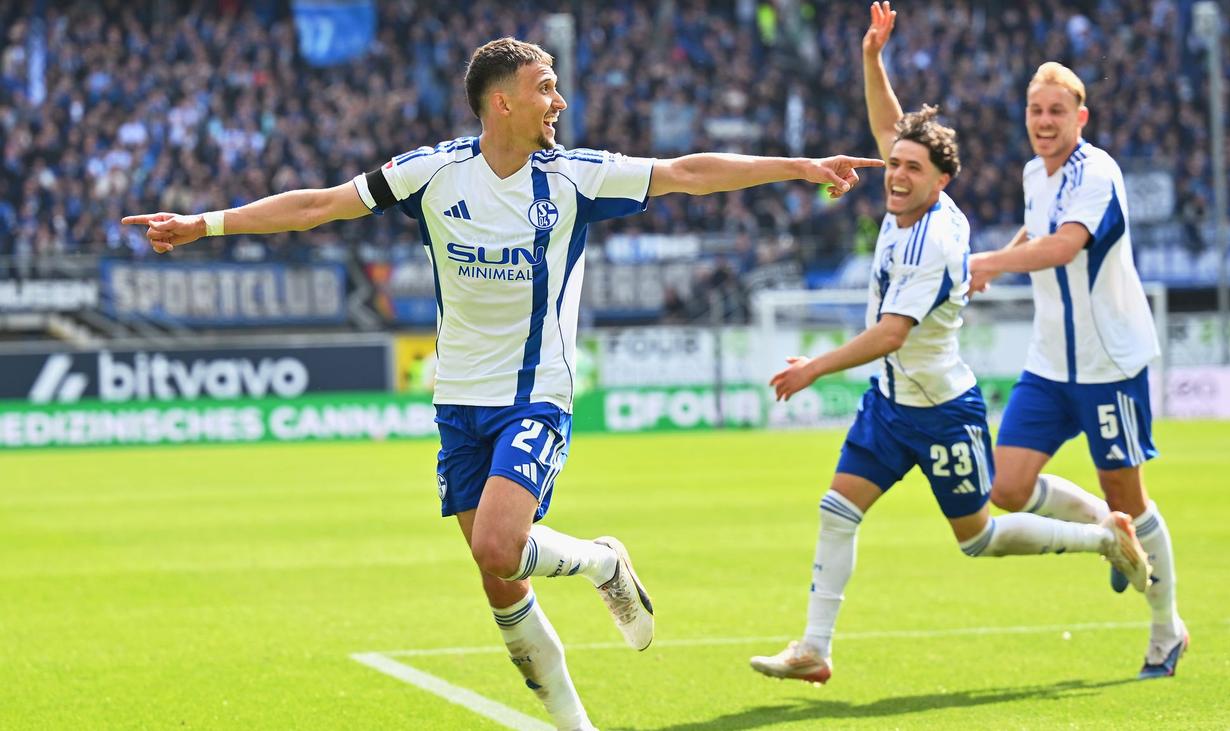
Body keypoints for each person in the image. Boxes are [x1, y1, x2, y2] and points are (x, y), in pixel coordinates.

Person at [123, 37, 881, 731]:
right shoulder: (432, 172)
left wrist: (802, 166)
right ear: (502, 102)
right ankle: (580, 694)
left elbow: (687, 174)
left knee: (497, 541)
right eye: (545, 87)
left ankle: (599, 564)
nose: (558, 101)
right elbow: (320, 205)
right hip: (458, 401)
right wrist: (206, 223)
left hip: (534, 395)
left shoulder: (576, 177)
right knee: (500, 580)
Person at [749, 3, 1150, 686]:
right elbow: (889, 127)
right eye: (892, 165)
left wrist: (815, 366)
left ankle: (1103, 537)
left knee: (980, 538)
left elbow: (892, 333)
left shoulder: (936, 238)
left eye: (910, 168)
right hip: (890, 404)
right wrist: (872, 58)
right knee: (837, 509)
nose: (895, 174)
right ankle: (814, 647)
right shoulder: (906, 197)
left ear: (942, 180)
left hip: (940, 409)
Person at [968, 61, 1187, 679]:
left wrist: (981, 259)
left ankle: (1166, 631)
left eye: (1056, 111)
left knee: (1131, 495)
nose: (1043, 122)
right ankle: (1104, 528)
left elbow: (1065, 244)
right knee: (1004, 487)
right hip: (1050, 363)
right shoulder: (1034, 173)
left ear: (1079, 118)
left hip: (1108, 364)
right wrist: (1000, 260)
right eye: (1036, 111)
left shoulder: (1099, 173)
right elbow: (1036, 230)